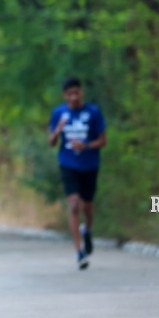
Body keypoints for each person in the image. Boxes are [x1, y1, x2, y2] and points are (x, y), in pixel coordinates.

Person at [47, 78, 106, 269]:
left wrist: (87, 145)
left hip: (89, 164)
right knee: (73, 205)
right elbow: (51, 142)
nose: (74, 97)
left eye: (77, 92)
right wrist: (57, 131)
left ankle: (87, 230)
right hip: (68, 164)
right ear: (65, 95)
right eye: (70, 93)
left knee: (87, 206)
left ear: (81, 92)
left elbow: (103, 140)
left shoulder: (93, 112)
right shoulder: (59, 114)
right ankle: (79, 252)